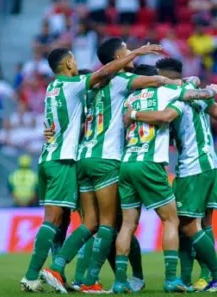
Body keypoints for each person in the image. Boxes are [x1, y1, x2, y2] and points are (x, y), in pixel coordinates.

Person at [52, 39, 197, 293]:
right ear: (120, 55)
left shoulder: (88, 88)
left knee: (97, 224)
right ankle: (91, 279)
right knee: (112, 224)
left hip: (82, 159)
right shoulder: (121, 82)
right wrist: (182, 83)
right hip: (109, 160)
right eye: (128, 50)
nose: (132, 53)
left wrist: (50, 133)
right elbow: (157, 82)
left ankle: (64, 270)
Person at [20, 43, 162, 292]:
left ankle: (67, 275)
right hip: (74, 160)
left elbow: (66, 114)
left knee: (86, 222)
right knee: (101, 223)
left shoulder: (54, 88)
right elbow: (103, 75)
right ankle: (51, 273)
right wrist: (142, 56)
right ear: (68, 64)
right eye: (73, 59)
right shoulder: (86, 85)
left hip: (68, 158)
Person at [104, 64, 217, 293]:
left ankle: (119, 281)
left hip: (127, 164)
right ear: (154, 79)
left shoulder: (129, 99)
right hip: (149, 164)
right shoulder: (165, 93)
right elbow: (195, 93)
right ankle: (170, 278)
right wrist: (213, 90)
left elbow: (188, 81)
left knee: (127, 225)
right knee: (171, 221)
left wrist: (187, 80)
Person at [141, 58, 217, 292]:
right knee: (202, 223)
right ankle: (198, 278)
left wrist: (135, 115)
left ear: (163, 76)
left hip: (193, 167)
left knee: (186, 225)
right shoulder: (191, 90)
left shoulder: (171, 92)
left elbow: (164, 117)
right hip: (211, 164)